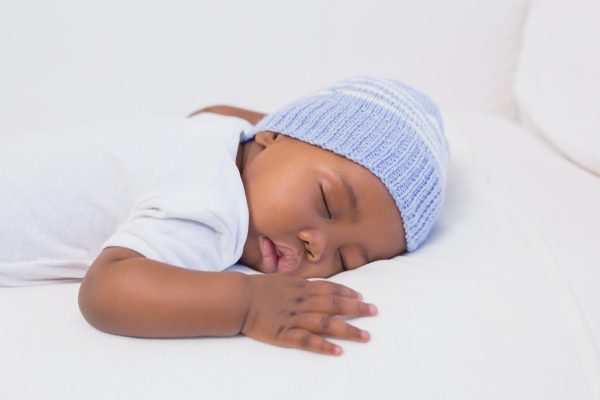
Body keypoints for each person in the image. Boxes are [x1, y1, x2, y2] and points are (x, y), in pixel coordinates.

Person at [0, 76, 449, 356]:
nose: (319, 244)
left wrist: (296, 130)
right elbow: (106, 290)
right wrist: (249, 304)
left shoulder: (224, 135)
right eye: (327, 202)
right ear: (273, 136)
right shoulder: (215, 205)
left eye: (348, 259)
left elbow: (211, 109)